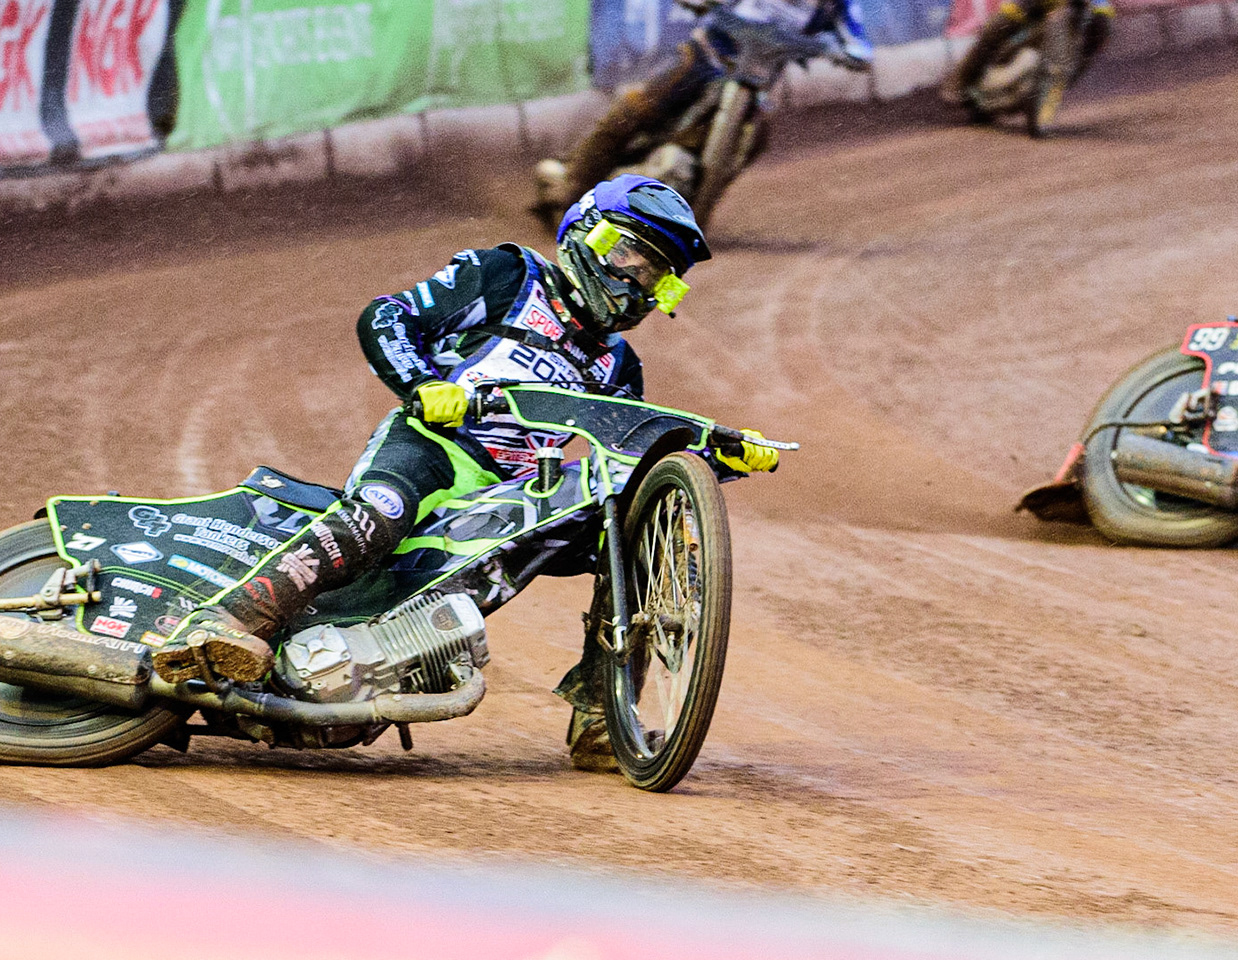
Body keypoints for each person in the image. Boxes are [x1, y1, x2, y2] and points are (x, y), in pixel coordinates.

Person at [149, 176, 778, 768]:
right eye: (633, 259)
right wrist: (422, 385)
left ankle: (600, 718)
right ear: (587, 234)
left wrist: (714, 458)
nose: (640, 284)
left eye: (660, 278)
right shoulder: (507, 275)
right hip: (434, 447)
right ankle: (228, 623)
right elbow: (388, 317)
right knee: (378, 516)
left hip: (516, 498)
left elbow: (631, 462)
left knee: (631, 536)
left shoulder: (620, 367)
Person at [535, 0, 872, 218]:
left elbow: (859, 42)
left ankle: (692, 208)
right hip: (705, 58)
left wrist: (850, 53)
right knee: (636, 110)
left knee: (756, 138)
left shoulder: (837, 5)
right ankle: (572, 185)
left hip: (756, 85)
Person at [938, 0, 1114, 111]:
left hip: (1081, 8)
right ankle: (962, 81)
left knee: (1102, 28)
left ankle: (1063, 78)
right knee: (999, 25)